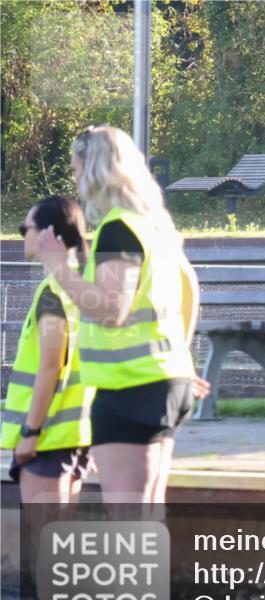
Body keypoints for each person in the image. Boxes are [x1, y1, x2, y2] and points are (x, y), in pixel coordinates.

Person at [35, 125, 205, 508]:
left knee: (127, 516)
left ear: (94, 169)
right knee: (146, 512)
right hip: (163, 380)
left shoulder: (118, 229)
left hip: (130, 388)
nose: (76, 179)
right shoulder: (155, 226)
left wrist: (59, 268)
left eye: (77, 169)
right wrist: (179, 357)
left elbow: (112, 309)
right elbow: (190, 286)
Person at [2, 196, 94, 505]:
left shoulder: (54, 291)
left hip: (48, 437)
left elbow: (51, 366)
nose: (21, 235)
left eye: (23, 228)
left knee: (46, 544)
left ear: (46, 235)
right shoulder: (81, 286)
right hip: (74, 434)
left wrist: (30, 431)